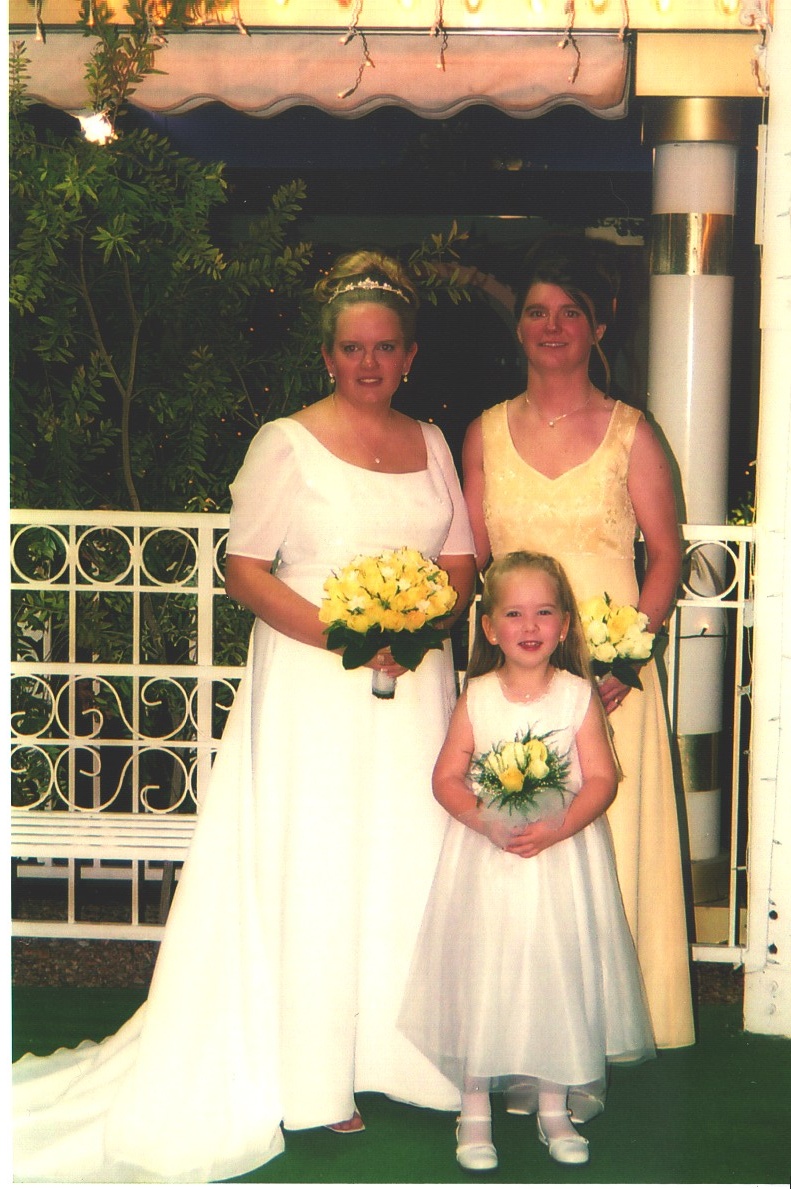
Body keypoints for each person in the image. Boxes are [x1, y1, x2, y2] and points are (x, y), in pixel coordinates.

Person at [12, 250, 476, 1182]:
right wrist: (349, 632)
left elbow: (461, 557)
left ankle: (403, 1057)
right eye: (352, 348)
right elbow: (246, 569)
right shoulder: (285, 440)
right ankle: (312, 1075)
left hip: (414, 678)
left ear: (410, 354)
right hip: (312, 685)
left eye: (385, 348)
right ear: (327, 353)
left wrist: (418, 620)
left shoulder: (431, 442)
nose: (369, 363)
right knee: (314, 857)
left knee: (406, 856)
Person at [462, 235, 695, 1064]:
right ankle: (519, 1018)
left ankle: (614, 1016)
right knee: (520, 837)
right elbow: (471, 562)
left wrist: (627, 664)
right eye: (535, 311)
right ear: (517, 326)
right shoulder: (484, 432)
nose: (551, 326)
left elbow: (664, 554)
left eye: (570, 312)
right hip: (515, 675)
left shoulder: (633, 433)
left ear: (600, 325)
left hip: (608, 681)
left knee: (608, 829)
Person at [398, 551, 655, 1172]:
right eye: (514, 613)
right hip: (488, 862)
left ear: (565, 625)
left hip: (561, 858)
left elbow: (600, 778)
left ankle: (553, 1106)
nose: (530, 625)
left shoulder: (576, 696)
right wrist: (486, 821)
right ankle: (474, 1109)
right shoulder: (478, 696)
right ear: (489, 628)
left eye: (544, 612)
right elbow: (447, 778)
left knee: (555, 970)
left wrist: (561, 824)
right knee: (484, 970)